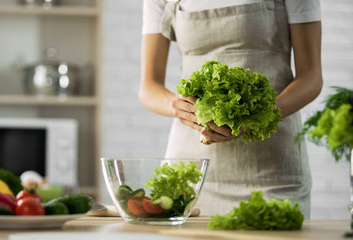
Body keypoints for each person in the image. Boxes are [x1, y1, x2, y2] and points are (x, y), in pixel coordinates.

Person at [138, 0, 323, 219]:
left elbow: (311, 77)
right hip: (191, 163)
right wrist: (178, 107)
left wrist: (258, 116)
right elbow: (148, 87)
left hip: (272, 168)